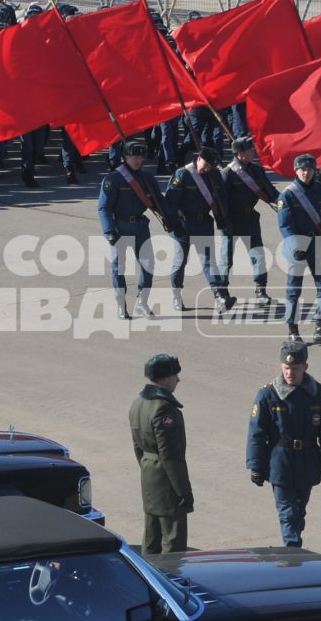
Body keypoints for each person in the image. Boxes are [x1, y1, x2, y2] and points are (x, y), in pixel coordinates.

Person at [246, 339, 321, 548]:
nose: (290, 373)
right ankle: (292, 550)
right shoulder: (268, 395)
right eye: (287, 368)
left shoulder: (319, 394)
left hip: (308, 460)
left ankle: (293, 545)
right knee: (287, 511)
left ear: (305, 367)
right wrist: (255, 465)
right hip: (281, 461)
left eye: (295, 368)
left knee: (299, 511)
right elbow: (257, 433)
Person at [130, 353, 194, 555]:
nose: (178, 379)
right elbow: (171, 456)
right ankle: (169, 582)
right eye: (175, 375)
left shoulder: (138, 404)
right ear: (165, 378)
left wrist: (148, 468)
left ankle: (147, 579)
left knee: (151, 537)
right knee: (173, 541)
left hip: (149, 475)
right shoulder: (164, 408)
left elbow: (137, 446)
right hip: (167, 482)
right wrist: (183, 491)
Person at [98, 138, 164, 318]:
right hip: (119, 226)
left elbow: (159, 202)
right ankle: (121, 306)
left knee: (148, 265)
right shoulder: (113, 179)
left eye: (140, 157)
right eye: (134, 156)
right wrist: (109, 231)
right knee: (118, 268)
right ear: (125, 156)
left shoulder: (147, 178)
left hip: (141, 226)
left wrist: (172, 218)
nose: (138, 160)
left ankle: (142, 303)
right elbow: (104, 207)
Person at [277, 153, 321, 344]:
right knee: (294, 290)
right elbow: (285, 225)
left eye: (310, 169)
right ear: (296, 171)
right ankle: (292, 330)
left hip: (319, 244)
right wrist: (296, 246)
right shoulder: (288, 194)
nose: (306, 173)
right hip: (298, 247)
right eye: (302, 170)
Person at [166, 145, 232, 312]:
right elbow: (171, 202)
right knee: (180, 262)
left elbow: (222, 197)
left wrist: (223, 218)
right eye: (206, 165)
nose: (207, 169)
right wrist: (173, 224)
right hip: (183, 225)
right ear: (199, 158)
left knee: (209, 262)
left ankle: (219, 297)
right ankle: (176, 295)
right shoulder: (182, 174)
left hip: (203, 224)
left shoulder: (215, 174)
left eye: (211, 166)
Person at [221, 135, 278, 309]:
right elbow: (220, 201)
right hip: (231, 220)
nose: (253, 152)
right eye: (249, 150)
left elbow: (270, 191)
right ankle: (222, 293)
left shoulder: (256, 171)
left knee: (258, 255)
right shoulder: (227, 173)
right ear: (239, 153)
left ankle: (261, 290)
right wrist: (224, 222)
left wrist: (286, 201)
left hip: (250, 219)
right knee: (226, 259)